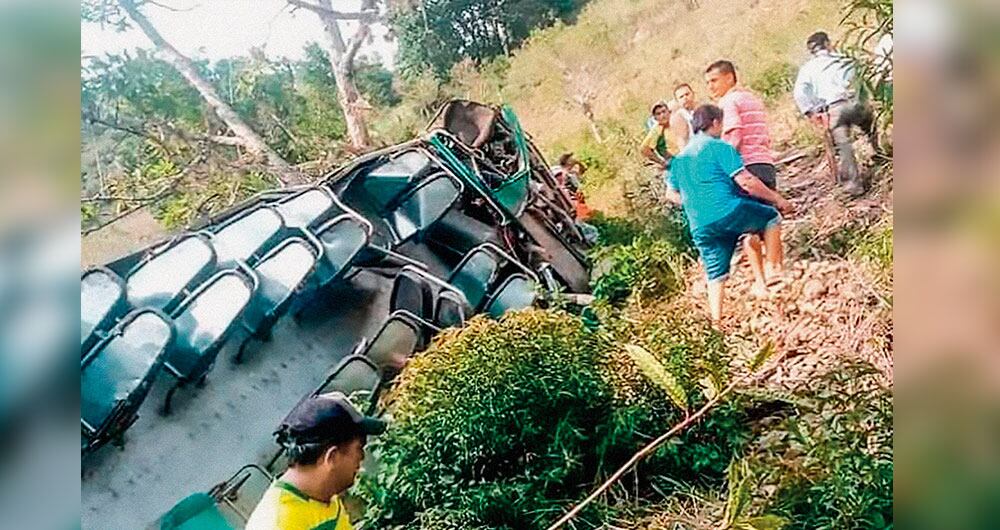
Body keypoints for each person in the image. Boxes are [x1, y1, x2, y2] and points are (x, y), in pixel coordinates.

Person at [663, 104, 794, 324]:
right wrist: (778, 199)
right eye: (721, 124)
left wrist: (696, 202)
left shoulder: (679, 160)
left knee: (715, 274)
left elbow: (670, 194)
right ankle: (773, 273)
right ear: (715, 123)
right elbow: (746, 181)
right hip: (728, 209)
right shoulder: (719, 147)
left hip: (700, 224)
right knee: (771, 217)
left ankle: (717, 324)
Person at [246, 392, 386, 530]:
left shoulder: (324, 494)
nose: (362, 457)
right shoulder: (277, 524)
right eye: (359, 448)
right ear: (332, 457)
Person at [793, 31, 877, 197]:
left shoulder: (807, 68)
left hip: (835, 108)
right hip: (856, 102)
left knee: (843, 145)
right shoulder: (843, 59)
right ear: (828, 44)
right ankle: (879, 152)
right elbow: (860, 78)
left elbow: (800, 93)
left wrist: (812, 111)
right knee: (870, 124)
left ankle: (854, 184)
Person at [704, 60, 778, 192]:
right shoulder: (752, 99)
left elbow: (735, 134)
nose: (710, 86)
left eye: (714, 81)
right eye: (708, 82)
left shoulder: (727, 102)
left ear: (729, 78)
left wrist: (724, 164)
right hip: (766, 163)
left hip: (746, 167)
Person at [640, 101, 680, 170]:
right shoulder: (657, 131)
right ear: (655, 118)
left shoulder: (677, 122)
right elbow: (644, 149)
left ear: (669, 112)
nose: (662, 115)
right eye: (658, 114)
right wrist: (661, 162)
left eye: (664, 111)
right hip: (675, 161)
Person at [670, 83, 697, 149]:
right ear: (677, 101)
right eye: (681, 97)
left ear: (693, 94)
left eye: (687, 94)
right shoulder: (677, 118)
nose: (685, 98)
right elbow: (681, 141)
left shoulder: (704, 109)